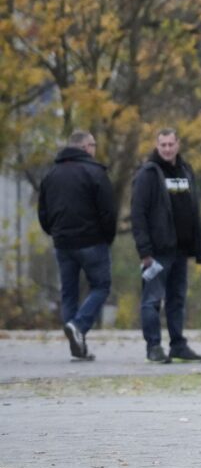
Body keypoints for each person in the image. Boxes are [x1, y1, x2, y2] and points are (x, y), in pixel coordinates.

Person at [130, 128, 201, 364]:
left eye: (170, 144)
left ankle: (178, 345)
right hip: (156, 253)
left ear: (178, 145)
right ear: (157, 146)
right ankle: (153, 347)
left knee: (177, 300)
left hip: (181, 250)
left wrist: (198, 246)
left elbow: (193, 209)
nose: (167, 149)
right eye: (162, 145)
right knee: (152, 300)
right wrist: (144, 251)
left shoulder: (186, 171)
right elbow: (138, 214)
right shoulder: (148, 174)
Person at [37, 130, 117, 361]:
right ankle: (78, 326)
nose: (94, 149)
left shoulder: (51, 175)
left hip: (63, 243)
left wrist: (54, 232)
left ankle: (77, 344)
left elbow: (43, 212)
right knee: (101, 286)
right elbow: (108, 211)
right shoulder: (95, 172)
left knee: (69, 293)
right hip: (92, 241)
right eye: (92, 144)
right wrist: (107, 237)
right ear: (84, 147)